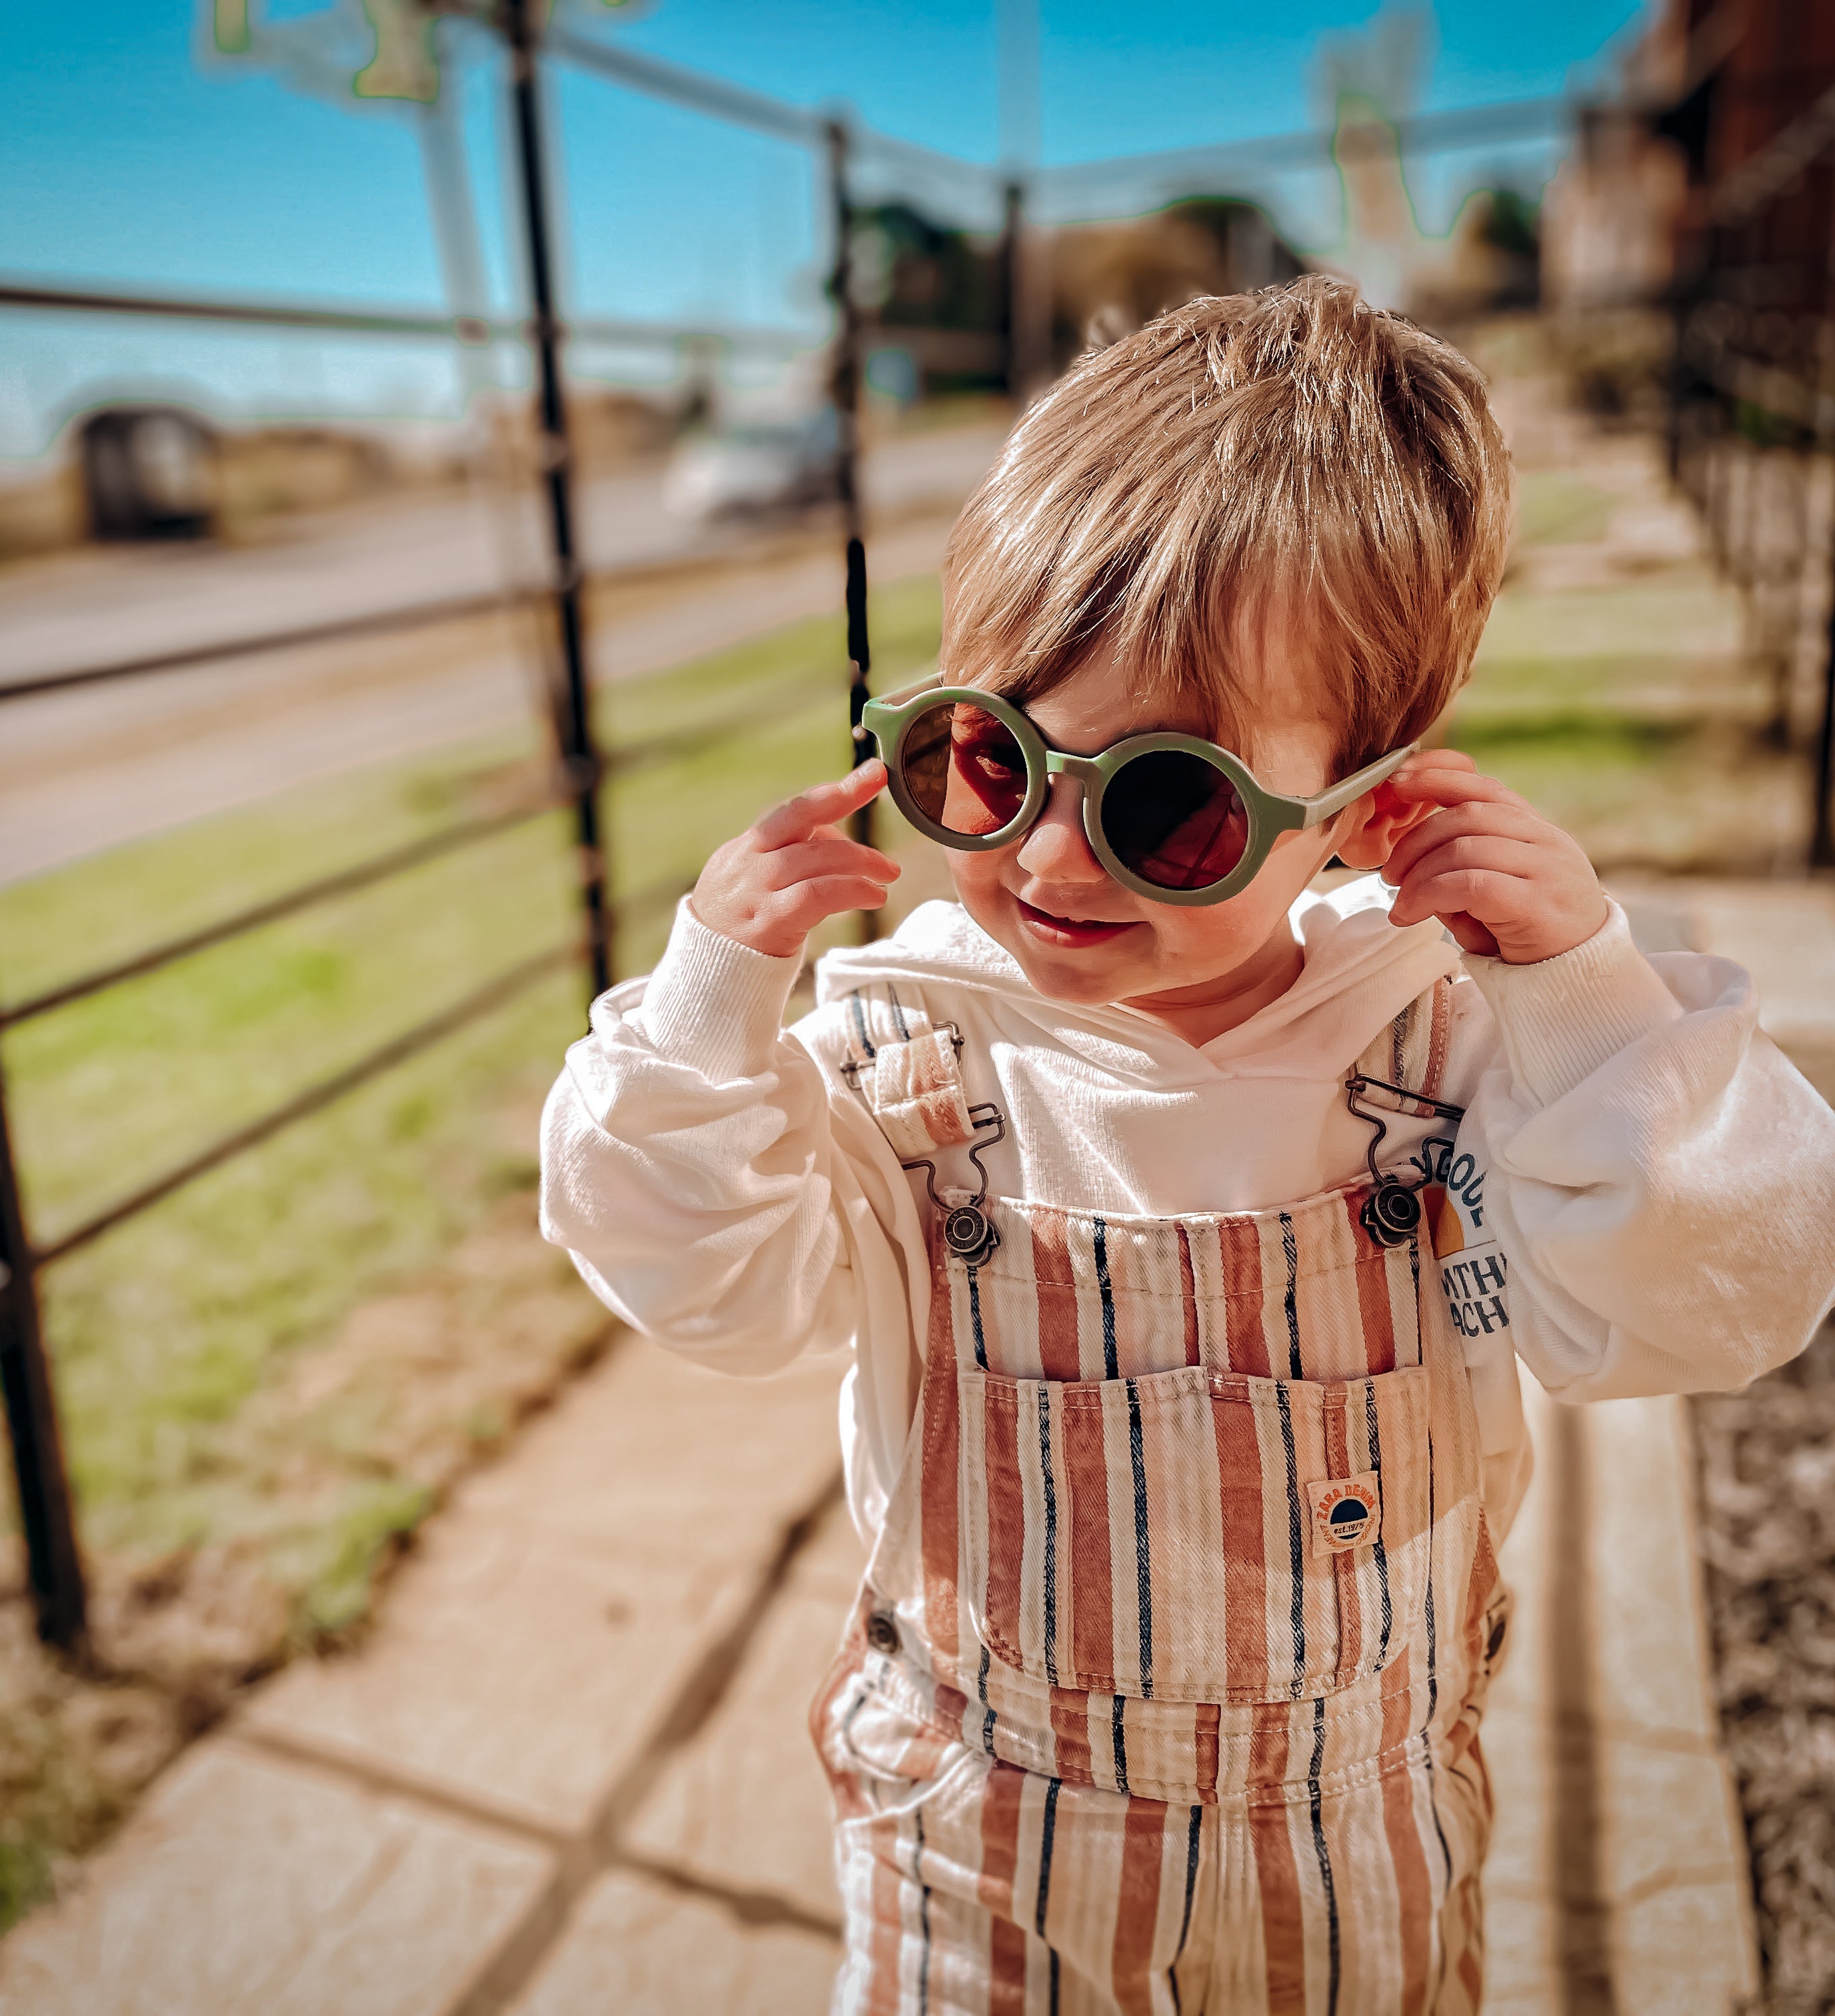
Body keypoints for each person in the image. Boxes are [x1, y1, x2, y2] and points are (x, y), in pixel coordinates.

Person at [539, 277, 1835, 2014]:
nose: (1055, 867)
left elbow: (1715, 1297)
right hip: (972, 1836)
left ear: (1369, 805)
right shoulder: (904, 1047)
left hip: (1352, 1845)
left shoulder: (1447, 1038)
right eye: (988, 762)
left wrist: (1592, 1003)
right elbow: (702, 1283)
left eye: (1169, 803)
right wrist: (709, 1011)